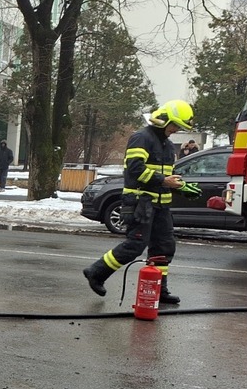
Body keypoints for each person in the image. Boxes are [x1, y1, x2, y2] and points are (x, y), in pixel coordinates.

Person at [83, 100, 194, 304]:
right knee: (135, 245)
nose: (176, 130)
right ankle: (96, 272)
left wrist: (181, 185)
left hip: (161, 205)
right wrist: (163, 180)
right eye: (175, 125)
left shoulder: (168, 145)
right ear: (165, 119)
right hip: (141, 203)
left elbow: (167, 174)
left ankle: (160, 290)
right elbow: (134, 169)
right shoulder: (141, 138)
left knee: (164, 246)